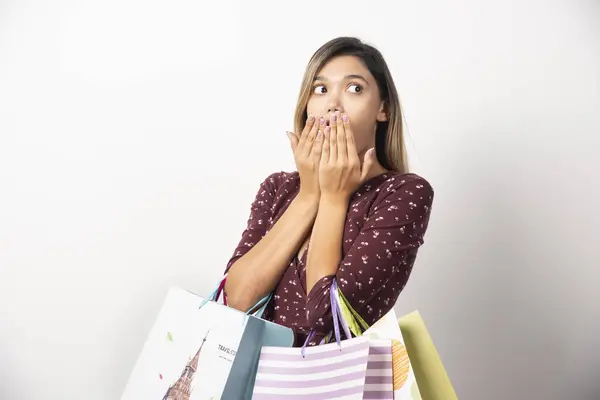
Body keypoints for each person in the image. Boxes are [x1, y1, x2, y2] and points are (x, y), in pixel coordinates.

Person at [223, 36, 434, 346]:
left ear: (383, 109)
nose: (333, 104)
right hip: (260, 386)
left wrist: (335, 199)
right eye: (320, 89)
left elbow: (325, 318)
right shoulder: (277, 188)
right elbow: (232, 305)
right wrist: (310, 195)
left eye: (354, 89)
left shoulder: (403, 193)